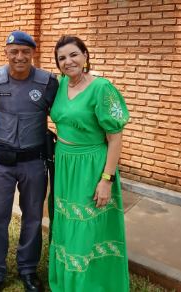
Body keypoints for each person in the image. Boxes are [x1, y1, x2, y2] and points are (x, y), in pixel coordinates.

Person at [0, 30, 59, 292]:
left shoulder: (47, 82)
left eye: (25, 52)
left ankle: (28, 269)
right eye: (14, 52)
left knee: (33, 218)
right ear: (6, 53)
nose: (19, 57)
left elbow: (65, 111)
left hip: (34, 162)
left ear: (33, 53)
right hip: (2, 163)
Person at [48, 35, 130, 291]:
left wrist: (106, 179)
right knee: (66, 222)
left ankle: (91, 284)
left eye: (73, 54)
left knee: (87, 229)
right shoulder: (60, 85)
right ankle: (66, 280)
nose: (68, 61)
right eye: (62, 58)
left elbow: (115, 139)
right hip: (64, 162)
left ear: (85, 55)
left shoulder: (102, 88)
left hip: (91, 165)